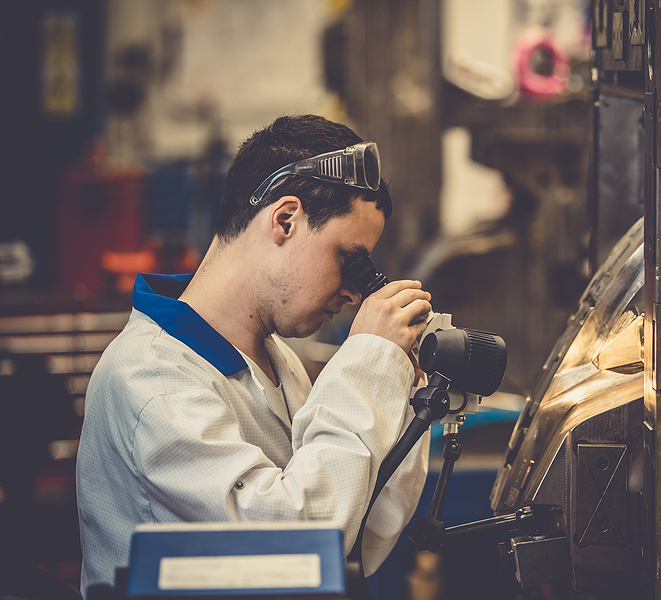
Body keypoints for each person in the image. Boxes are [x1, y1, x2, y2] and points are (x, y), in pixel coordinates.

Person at [76, 115, 433, 594]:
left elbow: (356, 533)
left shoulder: (275, 359)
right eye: (349, 259)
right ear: (285, 219)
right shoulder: (154, 377)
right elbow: (293, 545)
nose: (354, 293)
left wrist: (403, 399)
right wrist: (367, 363)